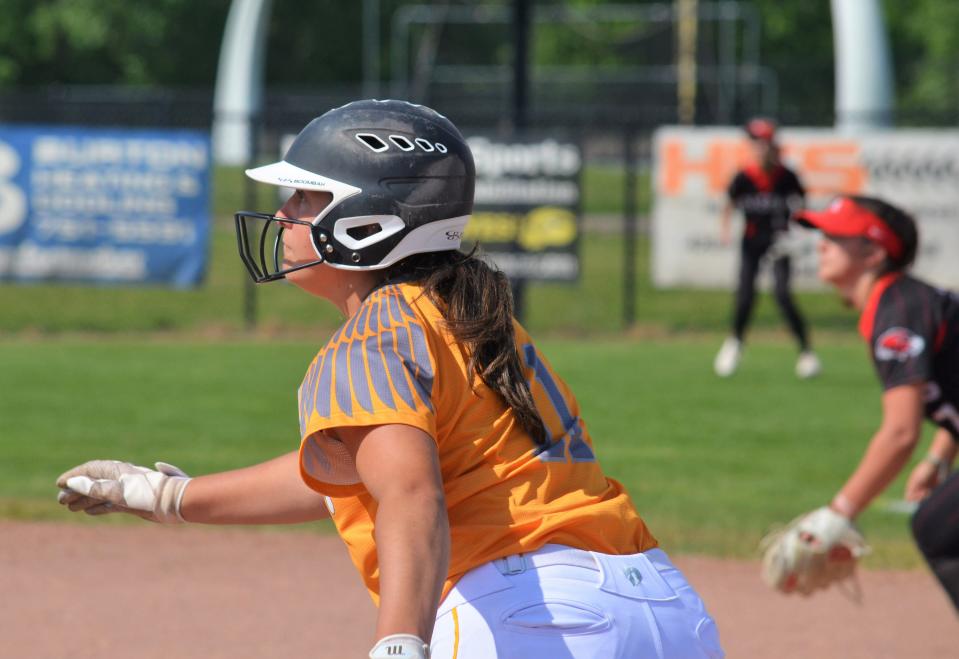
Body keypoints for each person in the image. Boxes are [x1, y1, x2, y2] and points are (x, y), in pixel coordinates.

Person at [56, 100, 724, 658]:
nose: (284, 213)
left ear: (366, 220)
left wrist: (399, 642)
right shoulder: (472, 317)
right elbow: (358, 471)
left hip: (532, 619)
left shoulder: (374, 333)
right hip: (664, 606)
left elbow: (409, 491)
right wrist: (167, 493)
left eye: (304, 195)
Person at [791, 194, 959, 610]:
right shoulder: (902, 302)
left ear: (874, 251)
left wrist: (839, 513)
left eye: (837, 235)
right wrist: (940, 457)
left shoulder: (896, 311)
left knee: (938, 529)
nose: (822, 244)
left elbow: (901, 433)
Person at [714, 118, 820, 379]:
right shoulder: (744, 177)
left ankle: (806, 352)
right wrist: (725, 231)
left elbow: (801, 205)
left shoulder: (786, 176)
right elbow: (730, 203)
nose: (761, 149)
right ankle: (735, 343)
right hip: (752, 243)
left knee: (783, 296)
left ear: (775, 146)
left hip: (780, 244)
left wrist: (798, 235)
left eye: (765, 143)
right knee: (745, 296)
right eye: (756, 144)